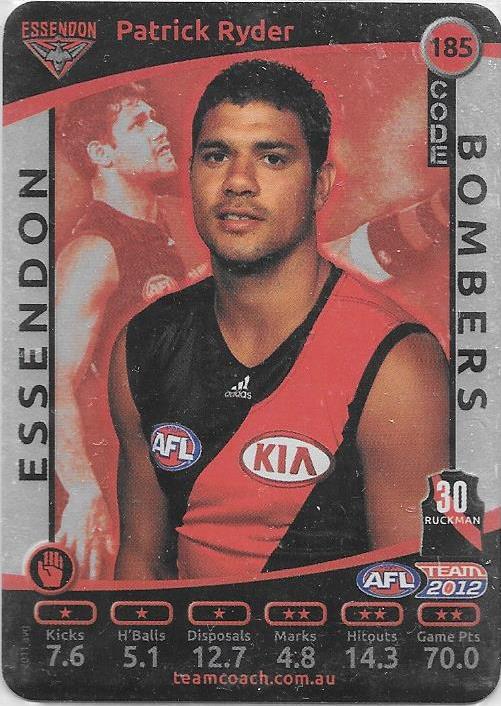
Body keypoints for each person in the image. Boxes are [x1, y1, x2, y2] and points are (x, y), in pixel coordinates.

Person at [109, 60, 449, 581]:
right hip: (190, 635)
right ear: (192, 174)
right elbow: (139, 568)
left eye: (272, 158)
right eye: (217, 155)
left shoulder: (398, 363)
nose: (238, 182)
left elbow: (417, 595)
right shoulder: (143, 342)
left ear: (320, 185)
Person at [56, 83, 207, 578]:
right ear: (102, 154)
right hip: (123, 481)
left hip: (192, 466)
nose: (161, 129)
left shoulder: (179, 221)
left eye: (154, 116)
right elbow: (50, 383)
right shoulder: (95, 252)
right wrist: (83, 491)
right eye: (139, 124)